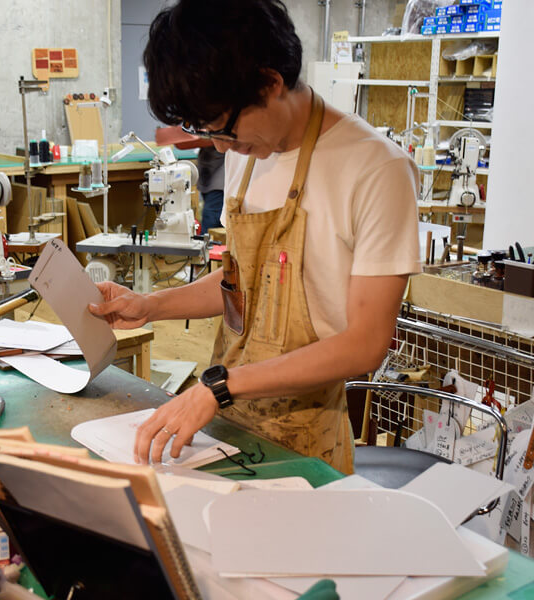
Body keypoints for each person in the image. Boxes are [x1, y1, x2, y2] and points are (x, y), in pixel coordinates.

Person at [89, 0, 421, 474]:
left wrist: (223, 385)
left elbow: (365, 343)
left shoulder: (376, 169)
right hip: (225, 424)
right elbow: (245, 285)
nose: (222, 147)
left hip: (305, 439)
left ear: (270, 82)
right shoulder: (246, 152)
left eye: (224, 129)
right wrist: (151, 305)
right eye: (205, 133)